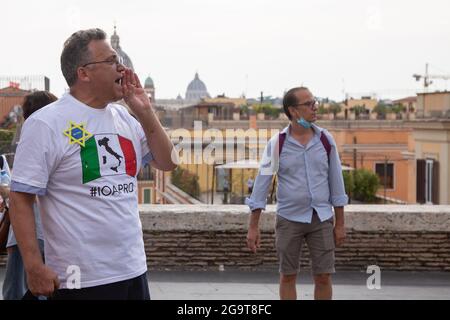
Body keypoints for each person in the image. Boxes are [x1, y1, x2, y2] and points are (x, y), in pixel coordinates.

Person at [9, 28, 176, 300]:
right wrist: (33, 266)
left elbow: (168, 163)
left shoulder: (125, 118)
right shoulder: (45, 124)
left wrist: (145, 111)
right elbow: (20, 198)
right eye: (111, 60)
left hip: (132, 270)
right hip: (78, 277)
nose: (121, 67)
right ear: (83, 73)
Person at [245, 87, 348, 300]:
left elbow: (337, 184)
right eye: (309, 104)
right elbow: (261, 187)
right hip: (289, 220)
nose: (315, 107)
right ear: (293, 111)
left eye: (315, 102)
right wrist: (253, 227)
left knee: (323, 277)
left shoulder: (326, 141)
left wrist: (340, 223)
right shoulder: (277, 144)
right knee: (288, 276)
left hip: (321, 218)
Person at [2, 91, 57, 300]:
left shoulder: (32, 140)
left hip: (28, 233)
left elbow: (25, 193)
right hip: (42, 232)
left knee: (17, 291)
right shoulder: (48, 139)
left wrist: (7, 190)